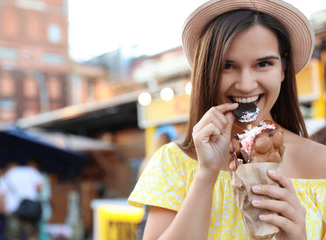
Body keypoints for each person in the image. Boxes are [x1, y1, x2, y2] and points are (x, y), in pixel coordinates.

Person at [128, 0, 326, 239]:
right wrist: (205, 174)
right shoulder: (174, 164)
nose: (245, 84)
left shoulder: (321, 162)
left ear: (283, 68)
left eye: (263, 64)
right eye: (227, 66)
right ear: (208, 71)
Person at [0, 161, 43, 240]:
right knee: (32, 235)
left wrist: (4, 213)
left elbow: (0, 196)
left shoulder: (6, 176)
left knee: (14, 236)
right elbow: (40, 187)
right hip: (31, 211)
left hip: (13, 211)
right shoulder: (32, 172)